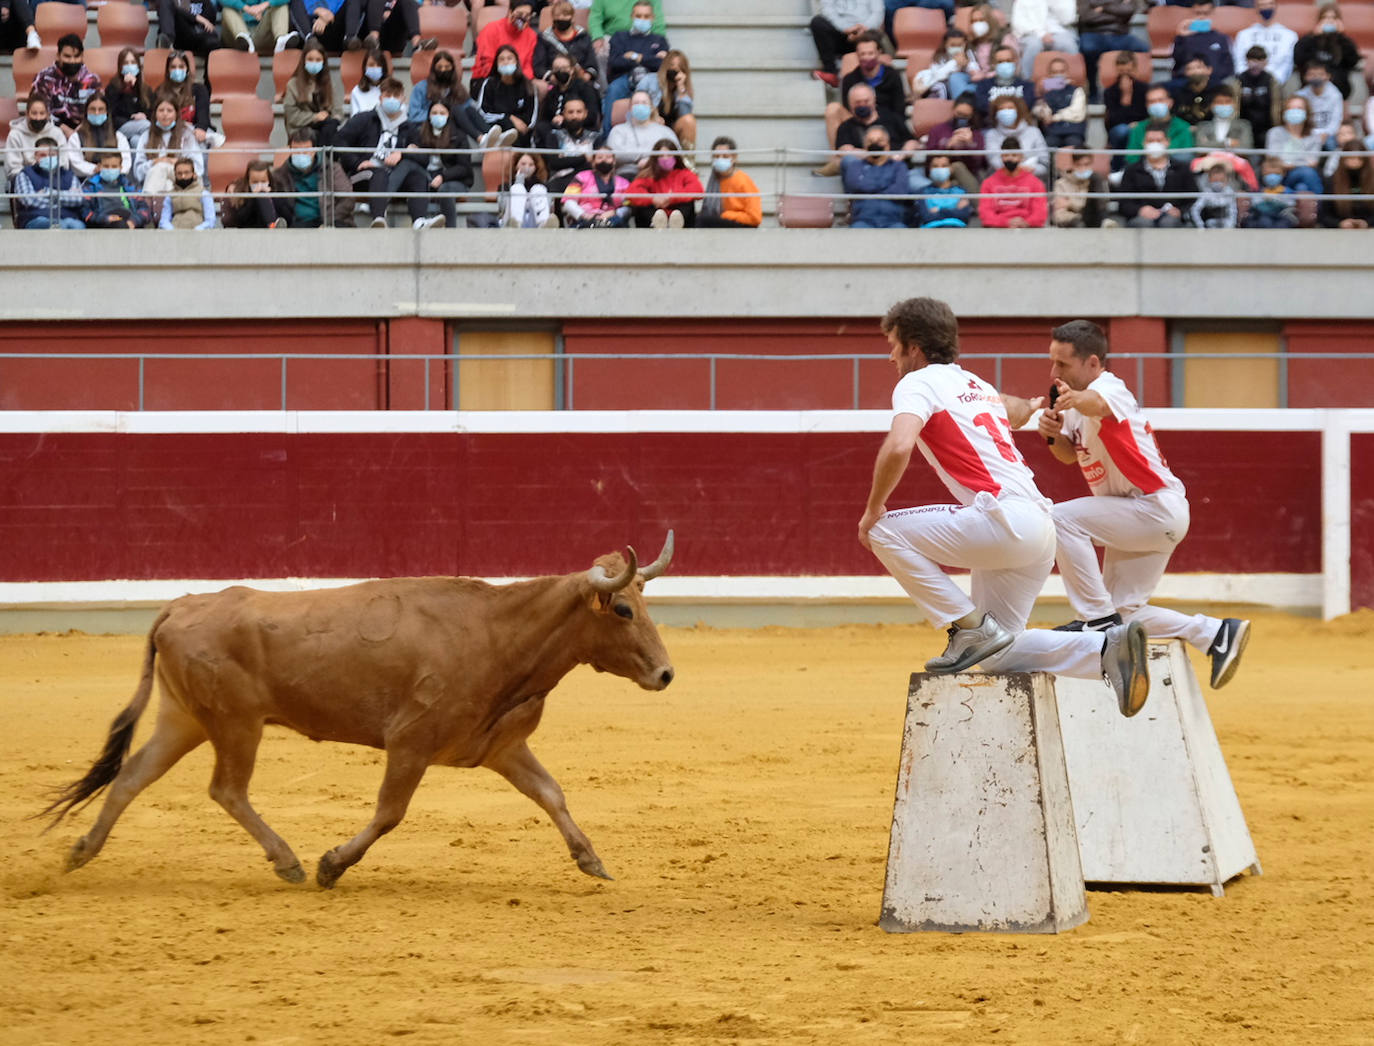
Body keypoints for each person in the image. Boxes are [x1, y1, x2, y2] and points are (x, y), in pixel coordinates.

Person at [859, 297, 1151, 717]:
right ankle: (1106, 648)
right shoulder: (973, 384)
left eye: (894, 345)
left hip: (1002, 519)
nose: (890, 356)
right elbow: (1013, 412)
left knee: (881, 530)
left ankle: (967, 627)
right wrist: (1032, 406)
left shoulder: (916, 383)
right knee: (999, 652)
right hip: (1039, 527)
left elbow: (900, 444)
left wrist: (874, 508)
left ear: (915, 349)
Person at [1036, 320, 1250, 689]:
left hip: (1151, 508)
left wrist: (1071, 400)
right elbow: (1070, 456)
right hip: (1137, 513)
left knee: (1059, 519)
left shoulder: (1108, 387)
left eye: (1063, 364)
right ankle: (1214, 634)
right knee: (1126, 614)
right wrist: (1054, 437)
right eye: (1053, 363)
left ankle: (1094, 618)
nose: (1055, 372)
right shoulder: (1074, 400)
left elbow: (1097, 405)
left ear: (1091, 363)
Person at [335, 78, 442, 228]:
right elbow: (340, 140)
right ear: (380, 98)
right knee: (379, 173)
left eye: (396, 95)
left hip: (393, 177)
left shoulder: (409, 128)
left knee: (417, 177)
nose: (392, 99)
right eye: (388, 95)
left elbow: (424, 159)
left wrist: (403, 154)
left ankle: (419, 221)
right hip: (363, 175)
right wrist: (357, 162)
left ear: (403, 99)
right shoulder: (364, 119)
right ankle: (379, 218)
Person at [403, 99, 471, 228]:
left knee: (446, 189)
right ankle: (420, 222)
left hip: (454, 181)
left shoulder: (458, 136)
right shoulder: (420, 133)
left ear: (448, 115)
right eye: (434, 113)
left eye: (442, 113)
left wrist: (443, 177)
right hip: (427, 177)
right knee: (416, 182)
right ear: (429, 115)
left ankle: (450, 230)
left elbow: (464, 168)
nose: (438, 116)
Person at [603, 1, 669, 130]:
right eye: (638, 16)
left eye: (646, 16)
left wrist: (635, 56)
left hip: (651, 79)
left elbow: (661, 65)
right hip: (624, 79)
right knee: (613, 90)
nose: (642, 19)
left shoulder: (660, 40)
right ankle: (606, 138)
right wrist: (650, 58)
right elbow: (615, 62)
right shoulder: (619, 37)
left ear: (652, 18)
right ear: (632, 16)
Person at [274, 126, 356, 227]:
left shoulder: (332, 169)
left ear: (315, 150)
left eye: (306, 151)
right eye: (296, 150)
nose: (300, 154)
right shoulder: (280, 174)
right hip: (298, 224)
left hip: (331, 222)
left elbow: (347, 199)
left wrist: (328, 222)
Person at [1117, 128, 1193, 227]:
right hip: (1141, 219)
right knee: (1143, 223)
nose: (1154, 144)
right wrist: (1140, 210)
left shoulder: (1182, 169)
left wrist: (1179, 211)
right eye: (1150, 141)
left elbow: (1193, 198)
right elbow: (1124, 203)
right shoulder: (1131, 170)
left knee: (1169, 223)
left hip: (1173, 219)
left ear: (1167, 142)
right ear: (1143, 143)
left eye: (1159, 140)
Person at [1076, 0, 1148, 101]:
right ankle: (1093, 90)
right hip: (1093, 33)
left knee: (1143, 48)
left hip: (1119, 35)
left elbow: (1129, 10)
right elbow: (1086, 17)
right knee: (1088, 49)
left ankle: (1138, 92)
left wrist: (1103, 8)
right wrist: (1115, 12)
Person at [30, 33, 102, 132]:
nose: (72, 61)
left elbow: (98, 110)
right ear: (58, 56)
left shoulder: (92, 81)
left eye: (76, 56)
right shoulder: (44, 78)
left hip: (85, 130)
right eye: (67, 56)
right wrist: (64, 130)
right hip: (52, 129)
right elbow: (39, 111)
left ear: (82, 57)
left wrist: (80, 132)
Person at [132, 95, 203, 196]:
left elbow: (199, 168)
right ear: (155, 113)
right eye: (161, 110)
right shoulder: (146, 136)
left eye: (169, 111)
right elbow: (138, 173)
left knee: (162, 167)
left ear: (176, 114)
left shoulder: (187, 134)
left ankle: (147, 203)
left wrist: (177, 163)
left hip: (183, 177)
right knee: (167, 183)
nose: (165, 114)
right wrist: (155, 162)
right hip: (158, 180)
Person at [625, 136, 702, 227]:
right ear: (655, 158)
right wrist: (653, 199)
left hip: (678, 213)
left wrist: (672, 197)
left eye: (669, 155)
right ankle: (657, 222)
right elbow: (631, 192)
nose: (665, 159)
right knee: (642, 205)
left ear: (675, 157)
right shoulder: (649, 174)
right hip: (655, 213)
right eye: (661, 156)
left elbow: (698, 190)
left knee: (688, 203)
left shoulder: (684, 173)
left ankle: (676, 223)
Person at [842, 123, 908, 228]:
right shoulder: (855, 166)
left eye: (879, 141)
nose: (875, 144)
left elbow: (899, 190)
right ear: (865, 146)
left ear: (888, 145)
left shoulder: (899, 166)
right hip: (863, 221)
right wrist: (886, 186)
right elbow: (855, 185)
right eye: (870, 141)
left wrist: (869, 190)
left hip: (893, 221)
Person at [532, 94, 598, 197]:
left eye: (579, 112)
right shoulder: (554, 135)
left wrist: (567, 160)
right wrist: (584, 158)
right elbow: (554, 163)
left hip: (588, 184)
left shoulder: (595, 137)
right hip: (559, 183)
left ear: (585, 114)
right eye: (570, 112)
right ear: (563, 114)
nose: (574, 116)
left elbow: (596, 163)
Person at [473, 44, 538, 148]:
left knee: (515, 130)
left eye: (509, 58)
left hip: (521, 132)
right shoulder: (489, 84)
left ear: (516, 62)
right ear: (497, 64)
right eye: (501, 59)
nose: (506, 62)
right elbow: (483, 112)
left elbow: (531, 118)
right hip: (495, 128)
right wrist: (509, 117)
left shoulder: (527, 85)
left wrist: (520, 124)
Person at [13, 137, 86, 229]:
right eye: (43, 155)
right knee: (58, 225)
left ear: (58, 156)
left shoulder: (69, 175)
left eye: (52, 155)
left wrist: (47, 193)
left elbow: (78, 200)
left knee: (78, 226)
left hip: (68, 217)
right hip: (36, 218)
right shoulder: (25, 174)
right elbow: (29, 200)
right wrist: (65, 196)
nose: (48, 158)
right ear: (35, 156)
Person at [809, 0, 884, 86]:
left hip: (866, 32)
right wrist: (846, 29)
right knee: (817, 22)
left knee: (876, 31)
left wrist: (862, 30)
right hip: (841, 33)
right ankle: (831, 73)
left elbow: (878, 13)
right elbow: (827, 10)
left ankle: (875, 75)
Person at [1292, 4, 1360, 99]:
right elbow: (1298, 59)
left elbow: (1353, 61)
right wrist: (1313, 36)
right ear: (1319, 20)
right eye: (1325, 17)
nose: (1329, 21)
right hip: (1312, 90)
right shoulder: (1310, 39)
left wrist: (1342, 36)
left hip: (1340, 93)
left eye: (1333, 18)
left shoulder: (1344, 41)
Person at [977, 136, 1047, 227]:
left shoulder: (1035, 183)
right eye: (1006, 155)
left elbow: (1040, 214)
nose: (1010, 159)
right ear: (1001, 157)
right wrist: (1005, 222)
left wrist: (1026, 222)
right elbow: (985, 214)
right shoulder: (988, 183)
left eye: (1014, 155)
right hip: (997, 231)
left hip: (1028, 230)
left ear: (1021, 157)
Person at [606, 88, 677, 177]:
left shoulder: (665, 131)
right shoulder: (618, 130)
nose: (640, 105)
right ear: (630, 108)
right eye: (636, 103)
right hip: (627, 176)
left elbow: (676, 154)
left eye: (644, 103)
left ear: (651, 107)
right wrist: (652, 155)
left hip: (659, 175)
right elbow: (615, 154)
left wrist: (651, 161)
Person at [697, 135, 761, 228]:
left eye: (725, 156)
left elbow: (755, 218)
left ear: (734, 158)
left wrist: (728, 215)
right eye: (716, 156)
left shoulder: (743, 180)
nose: (720, 159)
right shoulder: (715, 179)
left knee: (703, 220)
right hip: (723, 221)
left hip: (743, 225)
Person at [562, 143, 632, 227]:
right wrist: (584, 215)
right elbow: (568, 201)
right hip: (586, 219)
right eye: (600, 158)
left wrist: (614, 212)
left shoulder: (624, 183)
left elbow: (628, 205)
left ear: (614, 161)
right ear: (593, 162)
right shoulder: (581, 177)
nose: (604, 160)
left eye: (608, 157)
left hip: (613, 219)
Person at [925, 94, 986, 191]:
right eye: (959, 113)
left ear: (972, 115)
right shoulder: (938, 130)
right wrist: (948, 146)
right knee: (956, 166)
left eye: (966, 116)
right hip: (941, 174)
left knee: (959, 169)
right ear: (953, 110)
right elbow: (929, 158)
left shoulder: (977, 135)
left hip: (969, 176)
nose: (961, 118)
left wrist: (969, 145)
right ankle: (979, 205)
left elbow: (978, 165)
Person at [284, 43, 339, 146]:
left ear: (324, 62)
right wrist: (315, 117)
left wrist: (328, 117)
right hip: (300, 129)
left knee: (331, 127)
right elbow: (291, 116)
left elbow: (337, 112)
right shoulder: (293, 84)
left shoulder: (329, 85)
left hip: (325, 128)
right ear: (304, 61)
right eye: (310, 59)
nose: (314, 63)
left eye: (318, 60)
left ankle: (327, 157)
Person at [1265, 96, 1324, 194]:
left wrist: (1289, 162)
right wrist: (1302, 160)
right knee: (1307, 172)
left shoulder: (1314, 135)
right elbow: (1273, 160)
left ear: (1307, 112)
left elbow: (1313, 162)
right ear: (1284, 112)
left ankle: (1311, 207)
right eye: (1291, 108)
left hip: (1303, 177)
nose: (1295, 111)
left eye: (1299, 108)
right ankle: (1320, 206)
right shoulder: (1275, 133)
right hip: (1280, 176)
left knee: (1302, 187)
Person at [1231, 0, 1296, 86]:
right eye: (1262, 5)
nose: (1266, 7)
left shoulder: (1289, 35)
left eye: (1270, 4)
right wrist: (1245, 79)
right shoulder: (1243, 35)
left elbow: (1287, 64)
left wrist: (1273, 81)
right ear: (1256, 7)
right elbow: (1239, 61)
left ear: (1275, 6)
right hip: (1246, 81)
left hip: (1276, 82)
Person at [67, 94, 132, 180]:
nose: (96, 113)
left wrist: (112, 170)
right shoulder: (76, 137)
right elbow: (75, 162)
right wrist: (96, 169)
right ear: (86, 112)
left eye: (101, 109)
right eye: (93, 109)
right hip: (86, 182)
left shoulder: (118, 136)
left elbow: (126, 161)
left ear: (106, 112)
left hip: (115, 181)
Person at [81, 150, 152, 229]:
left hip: (128, 220)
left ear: (120, 168)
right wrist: (106, 219)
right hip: (104, 224)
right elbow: (84, 212)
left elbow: (145, 210)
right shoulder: (90, 186)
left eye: (114, 166)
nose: (110, 169)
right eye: (106, 166)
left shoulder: (129, 186)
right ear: (99, 167)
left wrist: (133, 221)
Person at [6, 95, 72, 179]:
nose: (38, 118)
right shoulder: (15, 135)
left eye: (42, 113)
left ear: (48, 115)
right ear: (27, 114)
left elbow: (64, 162)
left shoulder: (57, 133)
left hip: (54, 178)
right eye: (34, 113)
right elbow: (13, 170)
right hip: (26, 179)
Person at [1124, 84, 1194, 163]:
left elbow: (1185, 155)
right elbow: (1131, 157)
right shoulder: (1138, 128)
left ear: (1170, 102)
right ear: (1146, 105)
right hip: (1142, 172)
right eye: (1151, 101)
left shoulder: (1182, 127)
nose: (1156, 104)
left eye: (1160, 100)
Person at [535, 1, 599, 86]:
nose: (561, 18)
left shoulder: (583, 37)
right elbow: (539, 67)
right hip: (554, 83)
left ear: (572, 18)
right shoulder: (544, 38)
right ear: (553, 18)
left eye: (565, 15)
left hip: (580, 81)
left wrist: (586, 76)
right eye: (557, 16)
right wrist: (551, 77)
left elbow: (592, 64)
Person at [1011, 0, 1079, 80]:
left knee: (1069, 45)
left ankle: (1073, 83)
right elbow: (1019, 24)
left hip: (1058, 31)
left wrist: (1055, 4)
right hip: (1031, 32)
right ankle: (1027, 82)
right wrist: (1041, 34)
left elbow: (1068, 19)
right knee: (1033, 46)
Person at [984, 95, 1049, 179]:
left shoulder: (1034, 132)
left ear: (1018, 111)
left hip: (1031, 179)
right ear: (996, 113)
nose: (1006, 111)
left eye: (1010, 108)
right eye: (1001, 109)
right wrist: (1015, 170)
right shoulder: (991, 134)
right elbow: (994, 160)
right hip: (1001, 180)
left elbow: (1044, 162)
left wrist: (1029, 170)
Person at [1170, 0, 1234, 82]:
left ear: (1213, 14)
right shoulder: (1182, 38)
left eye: (1206, 13)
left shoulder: (1221, 38)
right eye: (1198, 13)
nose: (1201, 17)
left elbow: (1228, 67)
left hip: (1214, 83)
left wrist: (1208, 75)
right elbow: (1177, 62)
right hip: (1187, 82)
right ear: (1191, 13)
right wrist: (1180, 36)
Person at [1102, 50, 1145, 171]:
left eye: (1128, 72)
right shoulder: (1110, 92)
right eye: (1121, 72)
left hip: (1142, 127)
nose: (1125, 76)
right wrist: (1126, 98)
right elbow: (1113, 120)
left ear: (1135, 69)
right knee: (1123, 132)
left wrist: (1138, 124)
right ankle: (1117, 170)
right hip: (1118, 130)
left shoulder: (1145, 89)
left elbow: (1147, 115)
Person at [160, 51, 214, 149]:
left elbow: (203, 115)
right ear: (167, 70)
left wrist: (200, 128)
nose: (177, 70)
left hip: (195, 130)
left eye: (181, 67)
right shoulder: (160, 91)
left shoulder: (199, 89)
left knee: (202, 144)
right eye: (173, 67)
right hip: (169, 131)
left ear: (187, 69)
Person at [472, 1, 537, 81]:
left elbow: (528, 66)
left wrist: (519, 79)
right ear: (510, 12)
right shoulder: (491, 29)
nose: (523, 18)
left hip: (519, 80)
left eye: (527, 15)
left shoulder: (531, 35)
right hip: (490, 79)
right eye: (520, 14)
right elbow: (487, 65)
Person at [1033, 54, 1086, 148]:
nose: (1058, 74)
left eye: (1062, 71)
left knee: (1074, 144)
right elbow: (1040, 112)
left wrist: (1055, 117)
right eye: (1055, 72)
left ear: (1067, 73)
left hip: (1073, 131)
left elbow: (1077, 113)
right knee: (1047, 144)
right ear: (1049, 75)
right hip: (1051, 132)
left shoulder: (1077, 90)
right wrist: (1040, 94)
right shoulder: (1045, 91)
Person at [540, 53, 602, 133]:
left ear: (572, 70)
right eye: (556, 68)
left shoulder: (585, 88)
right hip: (554, 132)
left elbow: (592, 117)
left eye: (564, 68)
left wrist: (566, 119)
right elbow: (545, 117)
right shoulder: (552, 92)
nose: (560, 71)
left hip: (580, 130)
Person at [222, 158, 292, 227]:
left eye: (263, 181)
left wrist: (271, 197)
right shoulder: (241, 191)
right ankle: (272, 225)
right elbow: (240, 219)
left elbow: (287, 215)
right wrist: (253, 197)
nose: (259, 185)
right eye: (255, 182)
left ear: (269, 179)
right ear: (248, 181)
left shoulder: (277, 188)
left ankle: (273, 224)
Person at [1320, 142, 1374, 229]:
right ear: (1343, 159)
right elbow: (1324, 215)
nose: (1355, 161)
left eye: (1359, 158)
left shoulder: (1372, 181)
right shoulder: (1332, 181)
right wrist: (1340, 223)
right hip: (1339, 234)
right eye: (1351, 158)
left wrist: (1367, 223)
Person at [1052, 149, 1111, 227]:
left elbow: (1100, 207)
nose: (1083, 168)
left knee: (1096, 178)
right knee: (1080, 224)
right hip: (1073, 222)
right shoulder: (1061, 184)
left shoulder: (1097, 182)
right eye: (1078, 165)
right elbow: (1059, 213)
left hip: (1094, 219)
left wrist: (1070, 204)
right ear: (1072, 164)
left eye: (1086, 164)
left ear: (1092, 164)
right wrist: (1079, 217)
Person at [106, 49, 154, 144]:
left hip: (140, 125)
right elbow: (112, 112)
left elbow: (151, 110)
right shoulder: (113, 87)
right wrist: (126, 88)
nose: (129, 66)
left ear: (138, 65)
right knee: (148, 126)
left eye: (133, 62)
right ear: (120, 66)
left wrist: (144, 115)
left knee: (135, 141)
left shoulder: (145, 88)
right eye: (126, 63)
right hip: (120, 126)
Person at [499, 150, 557, 227]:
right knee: (518, 188)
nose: (527, 167)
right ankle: (516, 223)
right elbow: (502, 206)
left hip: (534, 222)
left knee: (538, 189)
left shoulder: (542, 186)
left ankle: (543, 224)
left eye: (531, 165)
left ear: (535, 168)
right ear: (516, 165)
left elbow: (550, 205)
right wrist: (518, 181)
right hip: (509, 221)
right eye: (523, 164)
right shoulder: (506, 186)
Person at [973, 44, 1036, 116]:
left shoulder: (1027, 86)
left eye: (1008, 60)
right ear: (993, 64)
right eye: (1000, 62)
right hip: (991, 125)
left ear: (1016, 61)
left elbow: (1026, 105)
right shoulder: (983, 86)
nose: (1005, 64)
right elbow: (982, 106)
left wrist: (998, 106)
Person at [158, 154, 217, 229]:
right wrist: (173, 231)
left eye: (186, 173)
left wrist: (197, 230)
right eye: (179, 173)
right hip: (174, 235)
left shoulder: (203, 193)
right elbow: (164, 220)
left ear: (193, 174)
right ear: (175, 175)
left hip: (198, 235)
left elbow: (210, 220)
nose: (183, 176)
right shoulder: (170, 196)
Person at [1235, 44, 1279, 141]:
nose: (1255, 64)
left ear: (1265, 62)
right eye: (1252, 60)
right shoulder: (1239, 80)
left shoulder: (1271, 80)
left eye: (1259, 60)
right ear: (1246, 61)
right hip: (1244, 125)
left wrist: (1276, 124)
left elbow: (1277, 104)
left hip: (1266, 125)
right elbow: (1235, 104)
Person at [914, 153, 971, 227]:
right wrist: (954, 210)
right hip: (931, 232)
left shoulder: (961, 191)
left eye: (944, 166)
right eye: (935, 166)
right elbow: (926, 217)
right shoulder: (922, 192)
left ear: (951, 169)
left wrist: (938, 210)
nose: (939, 169)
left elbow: (964, 216)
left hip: (956, 230)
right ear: (929, 169)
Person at [656, 50, 695, 154]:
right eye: (672, 65)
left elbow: (684, 114)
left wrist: (681, 88)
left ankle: (687, 162)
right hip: (651, 127)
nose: (675, 69)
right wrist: (653, 117)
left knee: (688, 120)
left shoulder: (683, 90)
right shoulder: (651, 81)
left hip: (672, 132)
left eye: (680, 67)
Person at [1295, 61, 1342, 146]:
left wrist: (1326, 133)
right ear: (1305, 77)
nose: (1316, 77)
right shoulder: (1300, 96)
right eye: (1312, 74)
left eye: (1320, 74)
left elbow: (1336, 120)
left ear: (1328, 76)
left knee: (1332, 143)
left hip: (1329, 135)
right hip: (1307, 134)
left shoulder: (1336, 95)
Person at [1193, 85, 1252, 151]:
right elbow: (1200, 148)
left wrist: (1210, 144)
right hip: (1209, 160)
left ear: (1235, 104)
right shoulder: (1202, 126)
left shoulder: (1243, 125)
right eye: (1219, 102)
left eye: (1228, 102)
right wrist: (1227, 143)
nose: (1224, 105)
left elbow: (1246, 148)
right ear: (1211, 105)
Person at [1242, 156, 1296, 227]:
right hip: (1263, 218)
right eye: (1268, 173)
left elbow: (1291, 206)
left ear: (1283, 173)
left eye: (1276, 173)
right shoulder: (1259, 192)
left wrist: (1275, 201)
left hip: (1281, 219)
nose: (1272, 177)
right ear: (1263, 174)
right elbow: (1254, 204)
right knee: (1263, 221)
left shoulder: (1288, 192)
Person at [220, 0, 290, 54]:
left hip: (262, 31)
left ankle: (281, 39)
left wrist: (262, 7)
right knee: (227, 10)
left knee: (281, 6)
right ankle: (244, 38)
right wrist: (248, 9)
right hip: (237, 37)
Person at [155, 0, 222, 57]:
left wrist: (196, 19)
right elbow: (173, 10)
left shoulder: (204, 2)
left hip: (194, 35)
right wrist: (196, 17)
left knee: (212, 42)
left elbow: (209, 23)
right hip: (175, 36)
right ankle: (167, 43)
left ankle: (209, 71)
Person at [1170, 55, 1220, 125]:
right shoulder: (1178, 93)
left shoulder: (1218, 91)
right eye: (1189, 68)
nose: (1194, 72)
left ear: (1209, 69)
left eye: (1198, 67)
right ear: (1185, 72)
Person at [1189, 159, 1237, 226]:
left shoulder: (1229, 192)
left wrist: (1230, 226)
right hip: (1210, 225)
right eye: (1215, 180)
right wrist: (1200, 226)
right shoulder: (1206, 193)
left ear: (1226, 180)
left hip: (1226, 225)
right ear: (1209, 179)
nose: (1218, 183)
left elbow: (1233, 212)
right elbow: (1195, 210)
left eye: (1221, 180)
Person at [349, 48, 390, 117]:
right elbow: (355, 118)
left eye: (379, 65)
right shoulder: (356, 91)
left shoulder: (392, 89)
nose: (375, 68)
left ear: (384, 68)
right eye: (371, 65)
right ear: (365, 68)